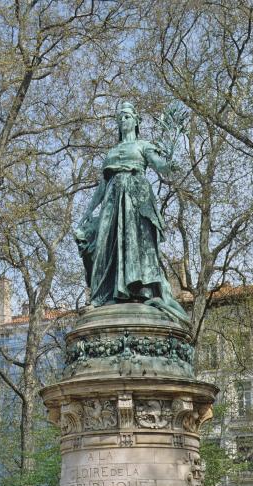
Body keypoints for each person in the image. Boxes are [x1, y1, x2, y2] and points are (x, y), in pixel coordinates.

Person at [74, 102, 189, 326]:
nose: (123, 120)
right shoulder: (112, 152)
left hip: (136, 199)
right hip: (112, 200)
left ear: (136, 121)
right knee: (105, 247)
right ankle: (101, 296)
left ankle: (138, 289)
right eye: (120, 117)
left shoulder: (143, 146)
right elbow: (101, 186)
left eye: (127, 116)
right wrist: (87, 212)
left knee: (136, 245)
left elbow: (162, 167)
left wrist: (171, 158)